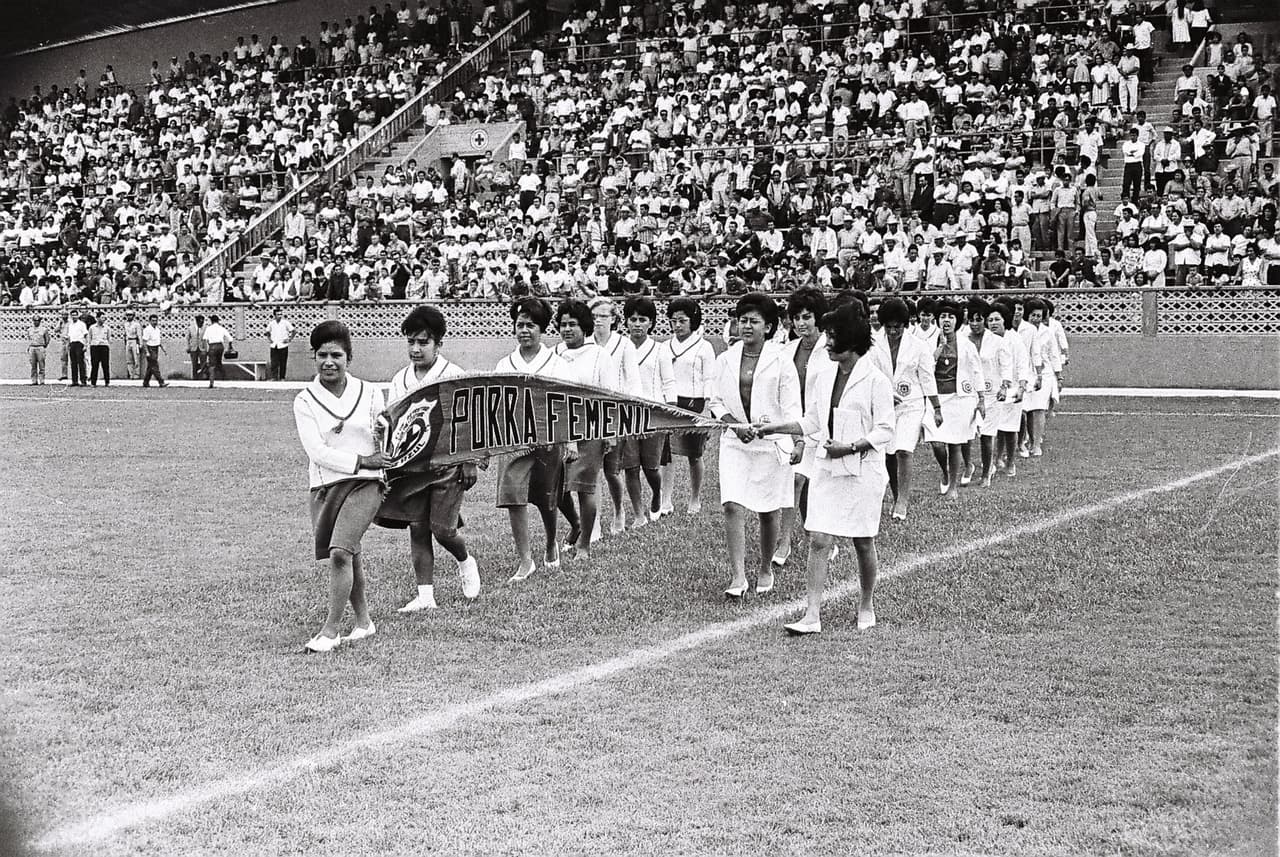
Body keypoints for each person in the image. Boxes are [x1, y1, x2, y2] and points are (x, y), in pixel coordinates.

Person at [754, 303, 893, 635]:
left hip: (863, 470)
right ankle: (811, 614)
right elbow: (812, 421)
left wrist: (852, 446)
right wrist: (774, 428)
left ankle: (866, 603)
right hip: (827, 467)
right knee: (819, 538)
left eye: (833, 337)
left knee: (862, 540)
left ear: (853, 340)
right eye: (828, 336)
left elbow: (886, 429)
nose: (827, 343)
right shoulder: (822, 376)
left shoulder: (875, 380)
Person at [377, 305, 481, 611]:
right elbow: (393, 422)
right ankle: (425, 595)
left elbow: (471, 423)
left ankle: (465, 561)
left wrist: (470, 460)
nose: (415, 349)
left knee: (443, 529)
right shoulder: (400, 379)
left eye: (423, 342)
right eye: (411, 342)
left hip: (448, 463)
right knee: (417, 527)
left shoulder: (454, 375)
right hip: (412, 466)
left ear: (438, 343)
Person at [292, 321, 385, 653]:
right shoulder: (305, 400)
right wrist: (362, 459)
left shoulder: (371, 391)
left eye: (336, 355)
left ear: (349, 357)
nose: (328, 362)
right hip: (325, 486)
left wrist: (382, 431)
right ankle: (364, 622)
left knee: (340, 551)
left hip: (367, 483)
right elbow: (317, 451)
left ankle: (330, 632)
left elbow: (383, 438)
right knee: (352, 552)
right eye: (322, 355)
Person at [709, 293, 802, 598]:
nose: (746, 326)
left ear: (769, 326)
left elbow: (792, 408)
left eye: (754, 321)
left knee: (768, 511)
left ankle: (764, 567)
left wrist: (793, 438)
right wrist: (734, 424)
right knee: (732, 505)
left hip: (771, 444)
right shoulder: (725, 358)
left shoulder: (781, 360)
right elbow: (716, 401)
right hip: (735, 443)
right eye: (742, 320)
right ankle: (738, 576)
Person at [494, 297, 570, 581]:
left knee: (546, 498)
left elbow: (567, 404)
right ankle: (525, 560)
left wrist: (567, 441)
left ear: (542, 329)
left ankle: (551, 543)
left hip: (547, 439)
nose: (524, 330)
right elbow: (496, 405)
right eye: (520, 324)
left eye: (531, 325)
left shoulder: (557, 364)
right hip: (514, 440)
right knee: (514, 495)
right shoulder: (505, 364)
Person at [774, 287, 832, 569]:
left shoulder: (831, 348)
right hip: (794, 426)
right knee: (794, 480)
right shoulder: (786, 351)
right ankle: (784, 540)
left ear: (818, 318)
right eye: (796, 317)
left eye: (807, 317)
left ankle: (818, 534)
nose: (800, 323)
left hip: (821, 427)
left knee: (812, 483)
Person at [553, 299, 616, 562]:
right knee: (556, 488)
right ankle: (576, 524)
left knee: (584, 487)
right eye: (563, 324)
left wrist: (609, 432)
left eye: (573, 325)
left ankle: (585, 546)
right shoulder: (554, 353)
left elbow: (610, 396)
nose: (567, 329)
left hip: (589, 428)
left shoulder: (600, 355)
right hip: (558, 429)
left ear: (585, 326)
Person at [871, 297, 940, 521]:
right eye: (888, 327)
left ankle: (903, 500)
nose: (892, 331)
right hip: (885, 405)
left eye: (897, 327)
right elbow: (869, 374)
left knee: (903, 450)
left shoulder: (918, 346)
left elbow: (927, 378)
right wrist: (882, 396)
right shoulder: (872, 343)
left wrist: (936, 407)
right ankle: (895, 492)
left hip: (911, 404)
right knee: (889, 453)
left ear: (906, 324)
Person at [657, 297, 716, 516]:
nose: (678, 325)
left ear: (693, 321)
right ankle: (666, 500)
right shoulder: (664, 346)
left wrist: (707, 407)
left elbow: (710, 378)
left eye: (682, 320)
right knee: (667, 455)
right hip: (670, 403)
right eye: (673, 321)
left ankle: (695, 498)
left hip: (695, 403)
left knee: (694, 454)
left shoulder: (704, 346)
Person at [587, 296, 639, 536]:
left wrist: (629, 415)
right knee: (591, 471)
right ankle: (594, 522)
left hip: (616, 416)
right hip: (588, 416)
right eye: (594, 316)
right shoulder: (585, 344)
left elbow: (633, 383)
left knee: (611, 471)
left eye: (603, 316)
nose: (598, 321)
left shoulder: (625, 345)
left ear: (614, 319)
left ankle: (619, 510)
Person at [620, 295, 673, 529]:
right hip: (627, 416)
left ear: (651, 323)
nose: (637, 324)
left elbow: (669, 382)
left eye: (642, 319)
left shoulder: (660, 349)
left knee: (651, 467)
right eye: (633, 319)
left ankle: (657, 494)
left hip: (654, 415)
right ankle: (638, 514)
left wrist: (670, 412)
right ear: (626, 322)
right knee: (630, 467)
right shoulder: (620, 348)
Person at [925, 302, 985, 500]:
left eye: (951, 317)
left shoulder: (966, 344)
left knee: (955, 443)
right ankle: (944, 471)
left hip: (960, 398)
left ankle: (952, 485)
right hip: (936, 399)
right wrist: (940, 346)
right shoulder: (928, 342)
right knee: (936, 443)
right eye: (943, 317)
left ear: (957, 321)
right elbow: (926, 368)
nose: (947, 321)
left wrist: (981, 398)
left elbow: (976, 371)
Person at [963, 298, 1012, 487]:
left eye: (979, 319)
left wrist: (1004, 387)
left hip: (992, 393)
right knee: (966, 433)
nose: (975, 324)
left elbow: (1006, 365)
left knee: (986, 434)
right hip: (969, 392)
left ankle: (986, 473)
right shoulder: (963, 340)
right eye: (971, 320)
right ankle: (968, 466)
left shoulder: (997, 341)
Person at [987, 301, 1030, 478]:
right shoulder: (987, 339)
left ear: (1005, 320)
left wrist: (1021, 387)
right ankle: (994, 460)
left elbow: (1022, 365)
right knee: (991, 428)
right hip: (991, 390)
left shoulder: (1015, 340)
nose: (994, 323)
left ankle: (1010, 461)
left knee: (1010, 428)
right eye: (990, 320)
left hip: (1011, 389)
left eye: (997, 319)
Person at [203, 315, 233, 388]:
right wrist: (230, 346)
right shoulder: (221, 328)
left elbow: (205, 339)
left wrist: (206, 349)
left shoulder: (208, 329)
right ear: (218, 321)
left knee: (212, 365)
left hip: (212, 346)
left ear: (211, 321)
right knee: (219, 362)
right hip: (220, 346)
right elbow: (230, 339)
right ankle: (224, 378)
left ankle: (211, 382)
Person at [267, 307, 296, 381]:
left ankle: (282, 377)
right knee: (274, 362)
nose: (279, 316)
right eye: (278, 314)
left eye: (280, 314)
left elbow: (293, 331)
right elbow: (267, 332)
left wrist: (289, 339)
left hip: (283, 345)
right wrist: (270, 339)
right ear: (274, 315)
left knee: (283, 362)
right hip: (274, 345)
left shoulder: (285, 322)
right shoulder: (271, 323)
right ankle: (274, 377)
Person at [141, 314, 168, 388]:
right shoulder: (147, 330)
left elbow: (158, 341)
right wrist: (147, 352)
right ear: (149, 321)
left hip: (156, 348)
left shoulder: (157, 329)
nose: (154, 322)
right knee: (155, 366)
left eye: (156, 320)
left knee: (150, 367)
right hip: (150, 348)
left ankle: (145, 382)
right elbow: (144, 342)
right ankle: (161, 382)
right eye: (153, 320)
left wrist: (163, 349)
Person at [88, 313, 111, 386]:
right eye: (102, 317)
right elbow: (89, 338)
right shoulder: (92, 327)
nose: (103, 319)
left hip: (104, 346)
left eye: (104, 318)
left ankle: (107, 381)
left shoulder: (107, 328)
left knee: (105, 365)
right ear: (97, 318)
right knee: (94, 365)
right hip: (95, 346)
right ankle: (93, 382)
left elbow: (109, 338)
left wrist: (106, 343)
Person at [27, 315, 51, 385]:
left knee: (41, 365)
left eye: (37, 321)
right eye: (35, 320)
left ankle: (42, 380)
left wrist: (44, 346)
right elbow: (29, 338)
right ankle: (34, 380)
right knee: (33, 365)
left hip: (40, 347)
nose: (36, 322)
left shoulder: (44, 329)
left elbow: (47, 339)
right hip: (32, 347)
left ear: (40, 321)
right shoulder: (29, 329)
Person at [187, 314, 208, 380]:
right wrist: (188, 346)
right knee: (194, 364)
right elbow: (188, 338)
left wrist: (207, 348)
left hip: (202, 348)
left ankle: (203, 377)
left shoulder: (205, 328)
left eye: (202, 322)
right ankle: (195, 377)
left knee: (203, 363)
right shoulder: (191, 328)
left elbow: (207, 338)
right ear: (196, 321)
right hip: (193, 348)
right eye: (199, 322)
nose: (201, 323)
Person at [123, 309, 142, 380]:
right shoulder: (125, 324)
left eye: (130, 315)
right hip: (128, 341)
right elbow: (125, 334)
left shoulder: (136, 324)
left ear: (133, 316)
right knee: (129, 359)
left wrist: (140, 343)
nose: (129, 316)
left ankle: (137, 375)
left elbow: (139, 334)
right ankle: (131, 374)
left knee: (136, 359)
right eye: (127, 315)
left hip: (134, 341)